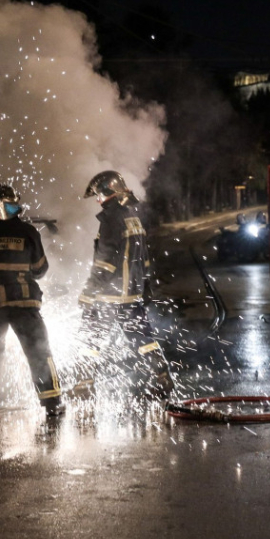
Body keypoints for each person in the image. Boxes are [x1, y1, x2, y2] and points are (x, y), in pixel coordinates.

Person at [73, 170, 176, 399]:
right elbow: (145, 258)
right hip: (131, 296)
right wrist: (145, 285)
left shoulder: (110, 219)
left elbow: (105, 261)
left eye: (98, 195)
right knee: (144, 339)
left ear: (107, 193)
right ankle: (163, 377)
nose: (97, 200)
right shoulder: (133, 217)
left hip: (109, 296)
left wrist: (89, 292)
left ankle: (84, 385)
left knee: (89, 339)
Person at [0, 185, 64, 417]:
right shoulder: (29, 232)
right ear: (15, 204)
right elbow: (41, 269)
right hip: (23, 304)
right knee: (38, 351)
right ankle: (52, 403)